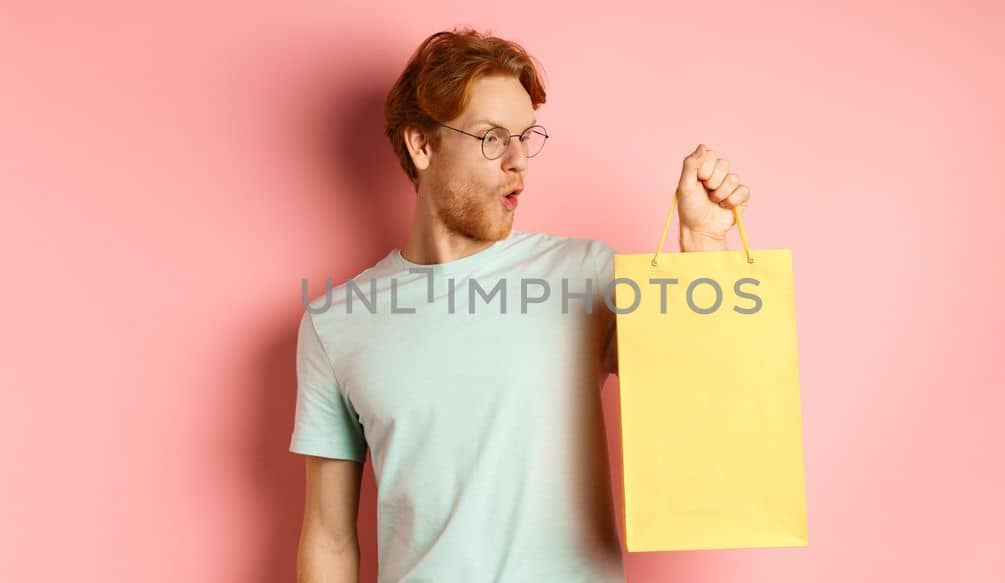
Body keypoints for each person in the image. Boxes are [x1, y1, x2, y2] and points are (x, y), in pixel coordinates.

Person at [290, 26, 752, 582]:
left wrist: (703, 244)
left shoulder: (585, 276)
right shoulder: (334, 325)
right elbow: (329, 537)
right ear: (422, 145)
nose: (518, 161)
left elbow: (704, 391)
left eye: (524, 137)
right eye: (491, 138)